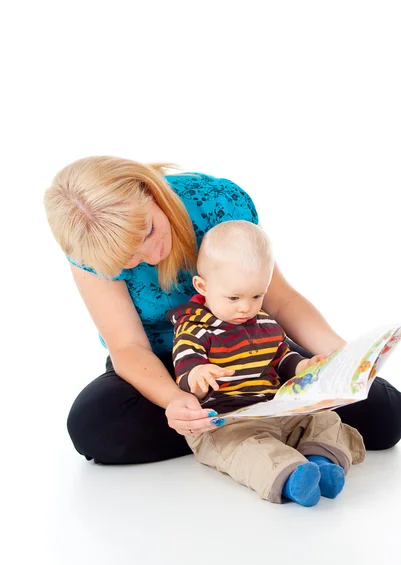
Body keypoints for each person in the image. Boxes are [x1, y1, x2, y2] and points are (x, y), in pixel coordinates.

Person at [43, 156, 401, 465]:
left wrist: (341, 357)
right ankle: (259, 424)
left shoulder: (216, 201)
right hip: (170, 366)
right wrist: (176, 401)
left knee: (386, 417)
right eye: (128, 260)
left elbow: (279, 299)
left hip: (252, 349)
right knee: (94, 426)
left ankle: (239, 428)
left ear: (150, 190)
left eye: (149, 231)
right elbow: (127, 347)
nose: (151, 256)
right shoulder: (89, 245)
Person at [167, 220, 365, 505]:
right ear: (203, 286)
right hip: (227, 422)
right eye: (233, 297)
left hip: (274, 410)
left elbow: (281, 357)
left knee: (325, 418)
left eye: (256, 296)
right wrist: (198, 374)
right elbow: (186, 368)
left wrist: (303, 368)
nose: (245, 307)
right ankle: (294, 479)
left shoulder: (265, 324)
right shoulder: (195, 329)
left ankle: (321, 461)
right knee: (246, 450)